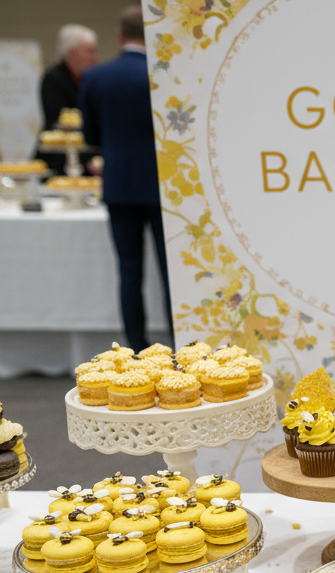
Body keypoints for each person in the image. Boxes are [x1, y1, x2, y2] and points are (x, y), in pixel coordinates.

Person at [80, 6, 172, 352]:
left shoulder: (96, 76)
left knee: (129, 271)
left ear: (119, 35)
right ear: (151, 34)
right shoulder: (163, 74)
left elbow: (91, 134)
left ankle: (136, 346)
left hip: (118, 183)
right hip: (163, 185)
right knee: (169, 272)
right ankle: (181, 345)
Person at [35, 24, 98, 174]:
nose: (95, 57)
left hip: (88, 156)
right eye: (89, 51)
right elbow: (56, 118)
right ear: (71, 52)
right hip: (59, 159)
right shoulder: (54, 79)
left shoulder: (92, 79)